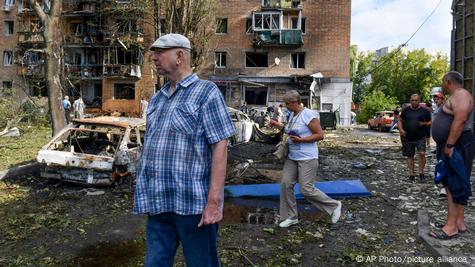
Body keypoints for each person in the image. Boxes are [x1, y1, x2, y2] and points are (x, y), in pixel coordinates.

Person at [133, 33, 235, 266]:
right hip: (159, 202)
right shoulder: (158, 99)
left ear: (180, 56)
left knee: (202, 263)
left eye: (160, 53)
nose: (154, 58)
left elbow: (220, 145)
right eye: (154, 54)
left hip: (193, 206)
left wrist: (214, 201)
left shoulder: (206, 92)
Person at [268, 90, 342, 228]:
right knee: (285, 184)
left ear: (295, 102)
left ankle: (334, 206)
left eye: (288, 103)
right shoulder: (293, 115)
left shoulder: (308, 114)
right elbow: (290, 131)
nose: (286, 106)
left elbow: (320, 135)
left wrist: (302, 140)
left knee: (306, 189)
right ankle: (291, 216)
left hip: (307, 157)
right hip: (292, 157)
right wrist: (278, 125)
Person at [430, 71, 475, 239]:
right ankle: (459, 222)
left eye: (443, 81)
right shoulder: (458, 95)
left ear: (448, 81)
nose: (442, 84)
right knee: (458, 182)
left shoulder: (461, 95)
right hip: (457, 142)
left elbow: (461, 119)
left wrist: (449, 145)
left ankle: (451, 228)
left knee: (452, 184)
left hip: (458, 143)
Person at [397, 94, 431, 181]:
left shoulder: (425, 111)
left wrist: (424, 124)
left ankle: (421, 173)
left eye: (416, 100)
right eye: (412, 100)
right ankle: (411, 175)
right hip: (408, 137)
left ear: (419, 101)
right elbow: (400, 120)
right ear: (410, 101)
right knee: (409, 156)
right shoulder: (406, 110)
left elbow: (430, 122)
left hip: (421, 136)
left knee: (422, 154)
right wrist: (401, 129)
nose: (414, 102)